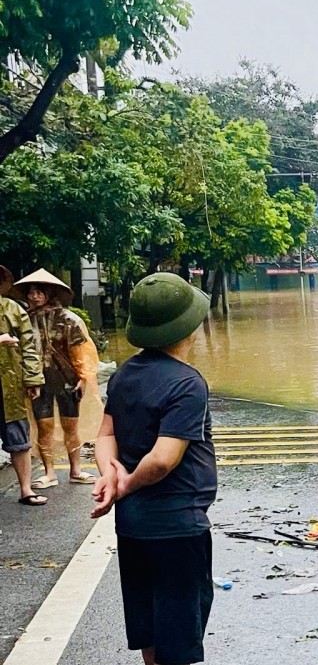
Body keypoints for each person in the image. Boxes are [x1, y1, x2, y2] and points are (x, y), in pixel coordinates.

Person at [90, 272, 216, 665]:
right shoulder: (187, 384)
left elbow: (105, 435)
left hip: (133, 526)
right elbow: (163, 459)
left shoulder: (125, 373)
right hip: (177, 526)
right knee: (178, 630)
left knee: (150, 622)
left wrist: (109, 474)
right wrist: (124, 484)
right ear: (189, 328)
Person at [14, 269, 102, 489]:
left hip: (66, 380)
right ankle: (49, 473)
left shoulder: (68, 319)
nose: (34, 296)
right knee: (44, 427)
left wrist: (83, 378)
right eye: (31, 292)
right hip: (38, 381)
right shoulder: (25, 321)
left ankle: (76, 470)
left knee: (70, 426)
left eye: (39, 292)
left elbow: (82, 351)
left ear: (49, 293)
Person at [0, 265, 47, 507]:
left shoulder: (12, 310)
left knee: (19, 437)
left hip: (10, 385)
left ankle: (26, 489)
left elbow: (29, 347)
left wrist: (32, 379)